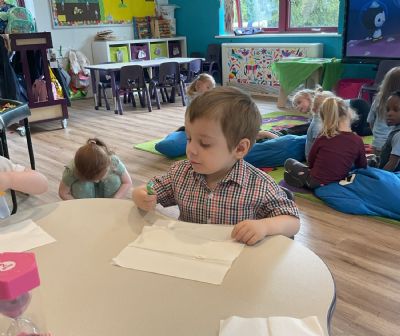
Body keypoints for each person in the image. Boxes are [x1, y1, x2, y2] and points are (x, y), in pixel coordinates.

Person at [133, 86, 300, 245]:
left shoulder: (260, 185)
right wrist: (141, 195)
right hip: (188, 253)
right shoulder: (180, 173)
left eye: (204, 144)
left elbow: (292, 221)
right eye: (189, 139)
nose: (191, 150)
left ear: (240, 148)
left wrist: (264, 226)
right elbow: (149, 189)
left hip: (236, 258)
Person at [284, 97, 367, 189]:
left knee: (289, 162)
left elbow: (311, 160)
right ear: (349, 113)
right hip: (339, 180)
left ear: (325, 119)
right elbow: (362, 165)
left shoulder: (323, 137)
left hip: (315, 181)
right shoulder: (357, 140)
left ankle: (302, 178)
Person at [59, 138, 132, 200]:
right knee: (80, 184)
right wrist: (79, 205)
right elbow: (63, 192)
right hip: (85, 203)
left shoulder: (113, 161)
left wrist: (115, 198)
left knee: (113, 178)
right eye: (90, 179)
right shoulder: (71, 170)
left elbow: (127, 182)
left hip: (110, 199)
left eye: (99, 178)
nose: (96, 181)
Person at [367, 67, 400, 155]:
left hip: (377, 145)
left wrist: (377, 137)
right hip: (393, 149)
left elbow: (370, 121)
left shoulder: (379, 98)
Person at [379, 91, 400, 171]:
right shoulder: (395, 130)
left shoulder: (398, 135)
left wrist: (380, 175)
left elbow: (392, 163)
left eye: (395, 109)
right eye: (388, 110)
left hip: (392, 175)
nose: (389, 113)